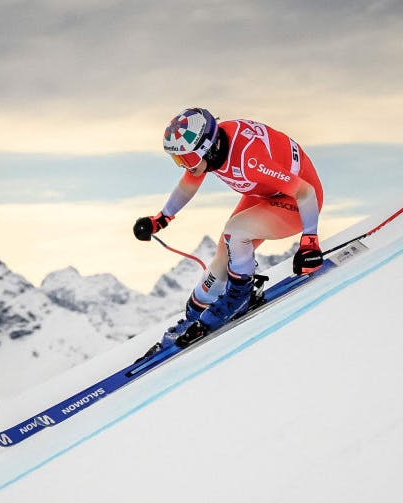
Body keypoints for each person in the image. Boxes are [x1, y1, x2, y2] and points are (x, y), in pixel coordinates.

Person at [133, 107, 325, 345]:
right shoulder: (211, 149)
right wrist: (162, 218)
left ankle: (239, 297)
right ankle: (196, 311)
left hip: (300, 201)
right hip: (266, 192)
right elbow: (188, 183)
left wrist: (310, 242)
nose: (185, 165)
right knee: (226, 247)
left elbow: (305, 191)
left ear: (207, 148)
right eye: (178, 159)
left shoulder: (249, 160)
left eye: (188, 159)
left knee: (237, 232)